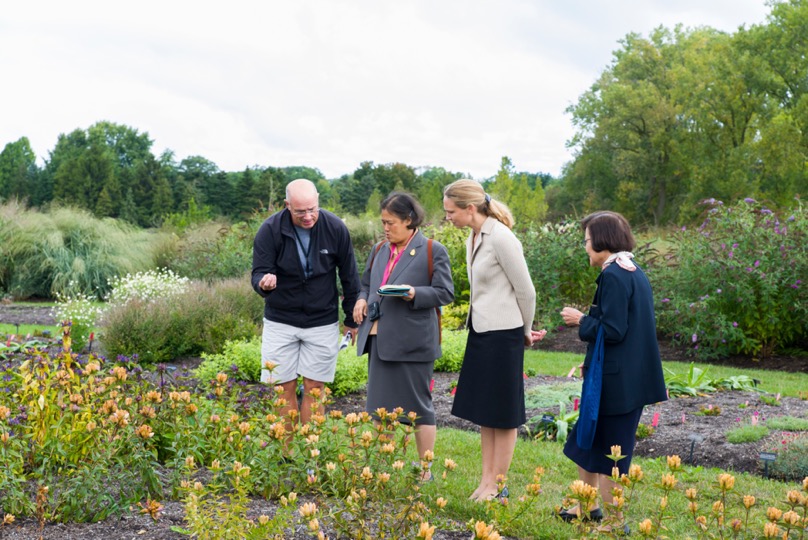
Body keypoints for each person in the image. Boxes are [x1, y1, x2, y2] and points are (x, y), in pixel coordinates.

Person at [559, 211, 667, 532]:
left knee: (612, 451)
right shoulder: (632, 271)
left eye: (588, 241)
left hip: (618, 384)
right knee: (586, 439)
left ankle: (615, 521)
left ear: (604, 242)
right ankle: (587, 505)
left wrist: (581, 319)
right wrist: (592, 362)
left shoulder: (615, 276)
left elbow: (615, 330)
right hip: (616, 375)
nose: (585, 247)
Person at [442, 179, 546, 502]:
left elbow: (526, 291)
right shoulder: (473, 238)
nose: (447, 218)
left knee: (503, 415)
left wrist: (525, 331)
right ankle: (486, 482)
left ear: (470, 208)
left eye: (450, 212)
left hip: (505, 336)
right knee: (486, 413)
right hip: (481, 333)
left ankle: (499, 486)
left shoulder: (502, 238)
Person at [353, 192, 454, 470]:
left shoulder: (433, 250)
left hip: (412, 342)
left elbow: (445, 293)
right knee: (380, 408)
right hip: (379, 338)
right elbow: (365, 284)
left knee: (417, 410)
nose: (385, 228)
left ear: (409, 220)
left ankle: (425, 471)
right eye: (383, 222)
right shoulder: (379, 250)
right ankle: (384, 468)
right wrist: (362, 299)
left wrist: (413, 293)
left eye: (391, 222)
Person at [252, 178, 360, 432]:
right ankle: (289, 457)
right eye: (301, 211)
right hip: (280, 320)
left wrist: (351, 321)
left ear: (318, 200)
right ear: (287, 205)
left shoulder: (335, 228)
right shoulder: (269, 230)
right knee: (282, 386)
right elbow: (258, 272)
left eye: (313, 208)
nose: (309, 216)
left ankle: (310, 455)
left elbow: (349, 275)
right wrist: (263, 284)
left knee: (314, 387)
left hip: (321, 321)